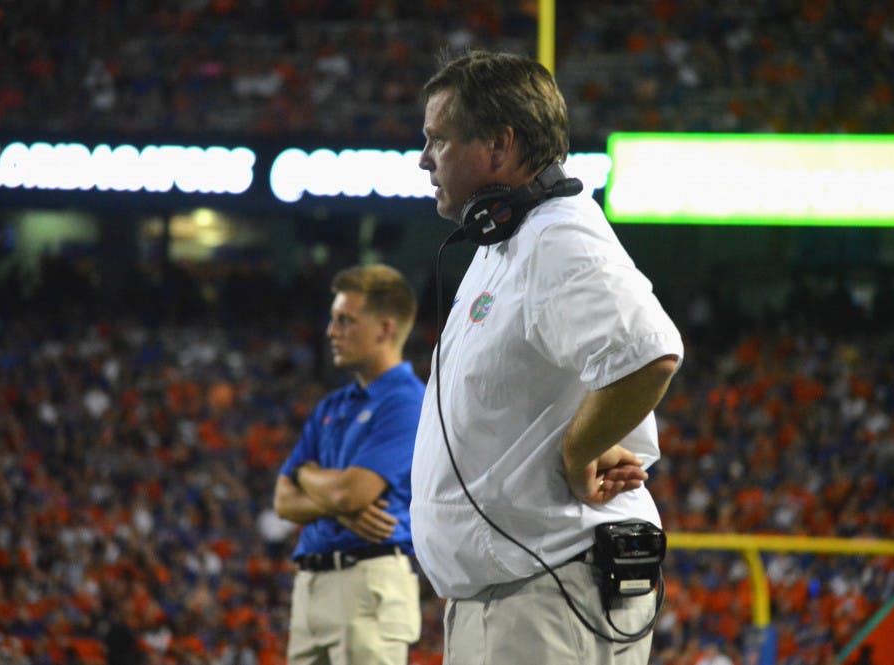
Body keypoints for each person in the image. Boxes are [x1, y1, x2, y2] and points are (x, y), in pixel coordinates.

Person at [410, 50, 684, 665]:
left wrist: (578, 451)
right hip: (522, 593)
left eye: (439, 140)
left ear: (499, 147)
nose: (425, 159)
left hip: (547, 594)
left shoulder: (556, 236)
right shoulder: (511, 237)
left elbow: (649, 354)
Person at [274, 264, 424, 665]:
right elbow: (283, 499)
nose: (330, 331)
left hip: (367, 583)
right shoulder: (332, 405)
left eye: (345, 320)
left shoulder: (407, 403)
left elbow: (351, 492)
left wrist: (308, 477)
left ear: (385, 329)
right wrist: (334, 503)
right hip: (311, 586)